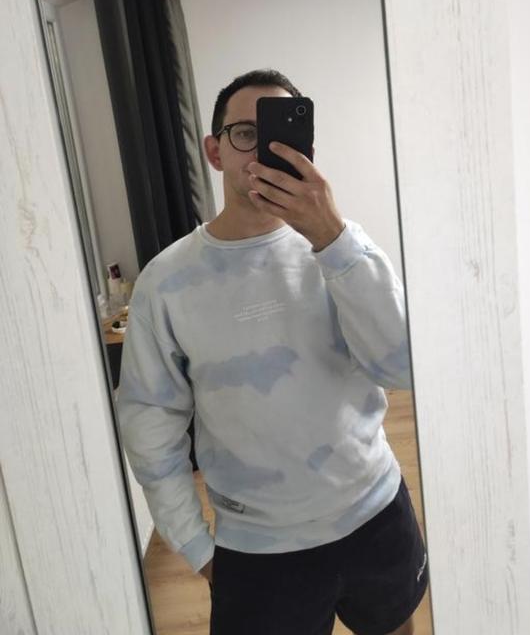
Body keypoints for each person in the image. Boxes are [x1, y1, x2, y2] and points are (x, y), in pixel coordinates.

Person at [117, 69, 428, 635]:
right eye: (244, 133)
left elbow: (404, 367)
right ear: (214, 151)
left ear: (306, 148)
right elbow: (149, 422)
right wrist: (196, 546)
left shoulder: (343, 248)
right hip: (257, 547)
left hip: (375, 510)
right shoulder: (165, 282)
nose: (263, 151)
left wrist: (332, 238)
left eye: (281, 133)